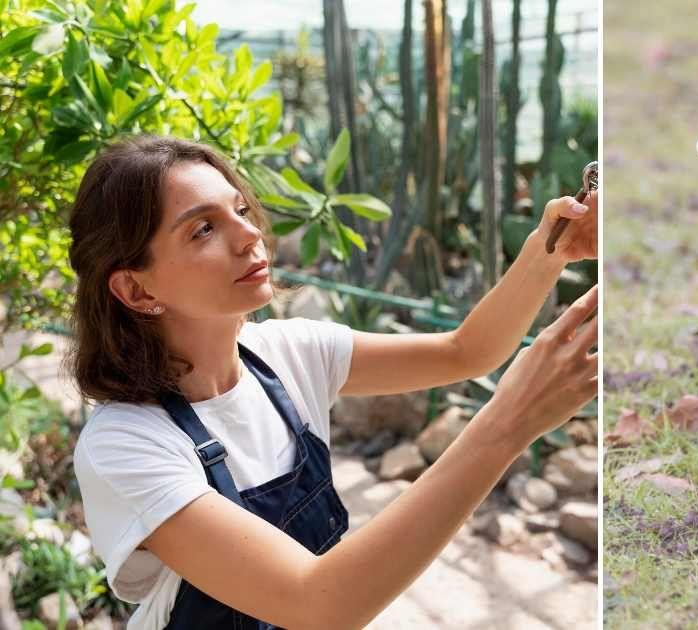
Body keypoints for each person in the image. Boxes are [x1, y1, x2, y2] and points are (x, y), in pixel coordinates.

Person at [66, 134, 599, 629]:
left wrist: (549, 249)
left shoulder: (289, 354)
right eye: (203, 228)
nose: (250, 235)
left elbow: (467, 351)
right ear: (136, 290)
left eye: (241, 210)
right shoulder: (125, 444)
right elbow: (316, 602)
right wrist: (507, 424)